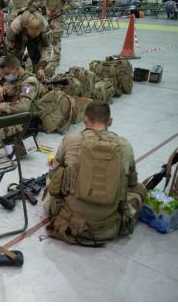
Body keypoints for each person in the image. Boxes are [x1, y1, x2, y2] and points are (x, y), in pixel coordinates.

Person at [44, 100, 147, 245]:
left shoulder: (70, 140)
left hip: (69, 224)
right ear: (110, 121)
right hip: (109, 228)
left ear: (85, 120)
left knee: (51, 180)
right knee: (140, 189)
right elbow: (132, 183)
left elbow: (53, 175)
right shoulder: (125, 145)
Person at [4, 7, 51, 79]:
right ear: (26, 28)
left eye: (35, 35)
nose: (33, 37)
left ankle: (38, 77)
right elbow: (9, 43)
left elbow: (46, 47)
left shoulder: (45, 28)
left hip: (36, 40)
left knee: (37, 57)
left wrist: (42, 67)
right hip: (19, 36)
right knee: (15, 57)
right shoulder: (16, 25)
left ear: (40, 30)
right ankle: (16, 78)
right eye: (31, 35)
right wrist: (13, 63)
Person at [45, 0, 72, 75]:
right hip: (49, 20)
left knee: (56, 40)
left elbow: (71, 4)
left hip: (58, 20)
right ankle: (48, 57)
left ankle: (56, 58)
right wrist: (47, 11)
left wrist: (62, 9)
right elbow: (46, 4)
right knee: (48, 39)